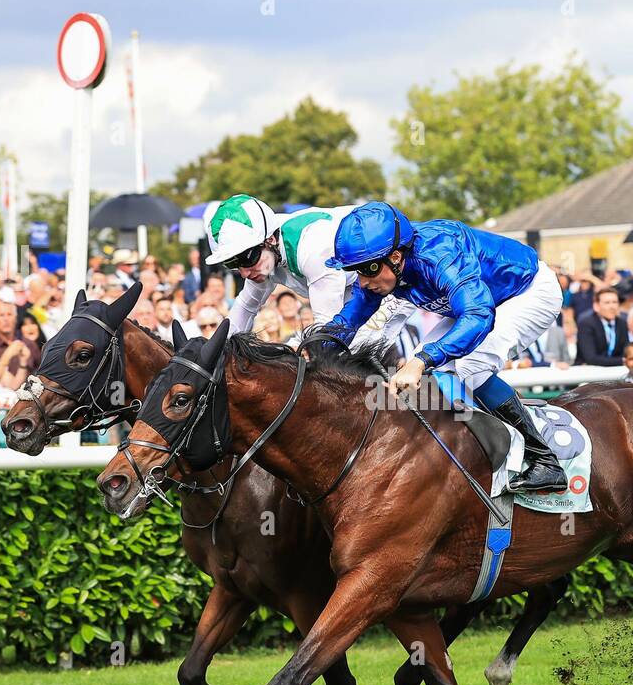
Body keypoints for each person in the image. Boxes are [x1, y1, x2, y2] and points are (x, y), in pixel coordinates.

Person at [323, 201, 567, 493]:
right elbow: (355, 312)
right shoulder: (388, 267)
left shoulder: (439, 254)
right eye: (356, 272)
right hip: (478, 303)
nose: (363, 282)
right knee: (426, 367)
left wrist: (423, 359)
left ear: (396, 257)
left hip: (527, 291)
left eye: (366, 271)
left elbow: (479, 315)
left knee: (466, 365)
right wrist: (322, 343)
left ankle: (545, 460)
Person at [204, 193, 388, 341]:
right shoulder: (264, 256)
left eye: (246, 259)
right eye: (232, 264)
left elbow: (328, 333)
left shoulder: (312, 249)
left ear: (271, 240)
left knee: (358, 352)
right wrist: (212, 352)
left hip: (391, 276)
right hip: (358, 286)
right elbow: (244, 308)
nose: (244, 273)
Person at [575, 288, 629, 365]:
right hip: (588, 372)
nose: (612, 306)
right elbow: (591, 358)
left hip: (615, 372)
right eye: (607, 303)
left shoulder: (622, 323)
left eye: (615, 302)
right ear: (596, 306)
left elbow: (625, 353)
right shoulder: (586, 324)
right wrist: (622, 361)